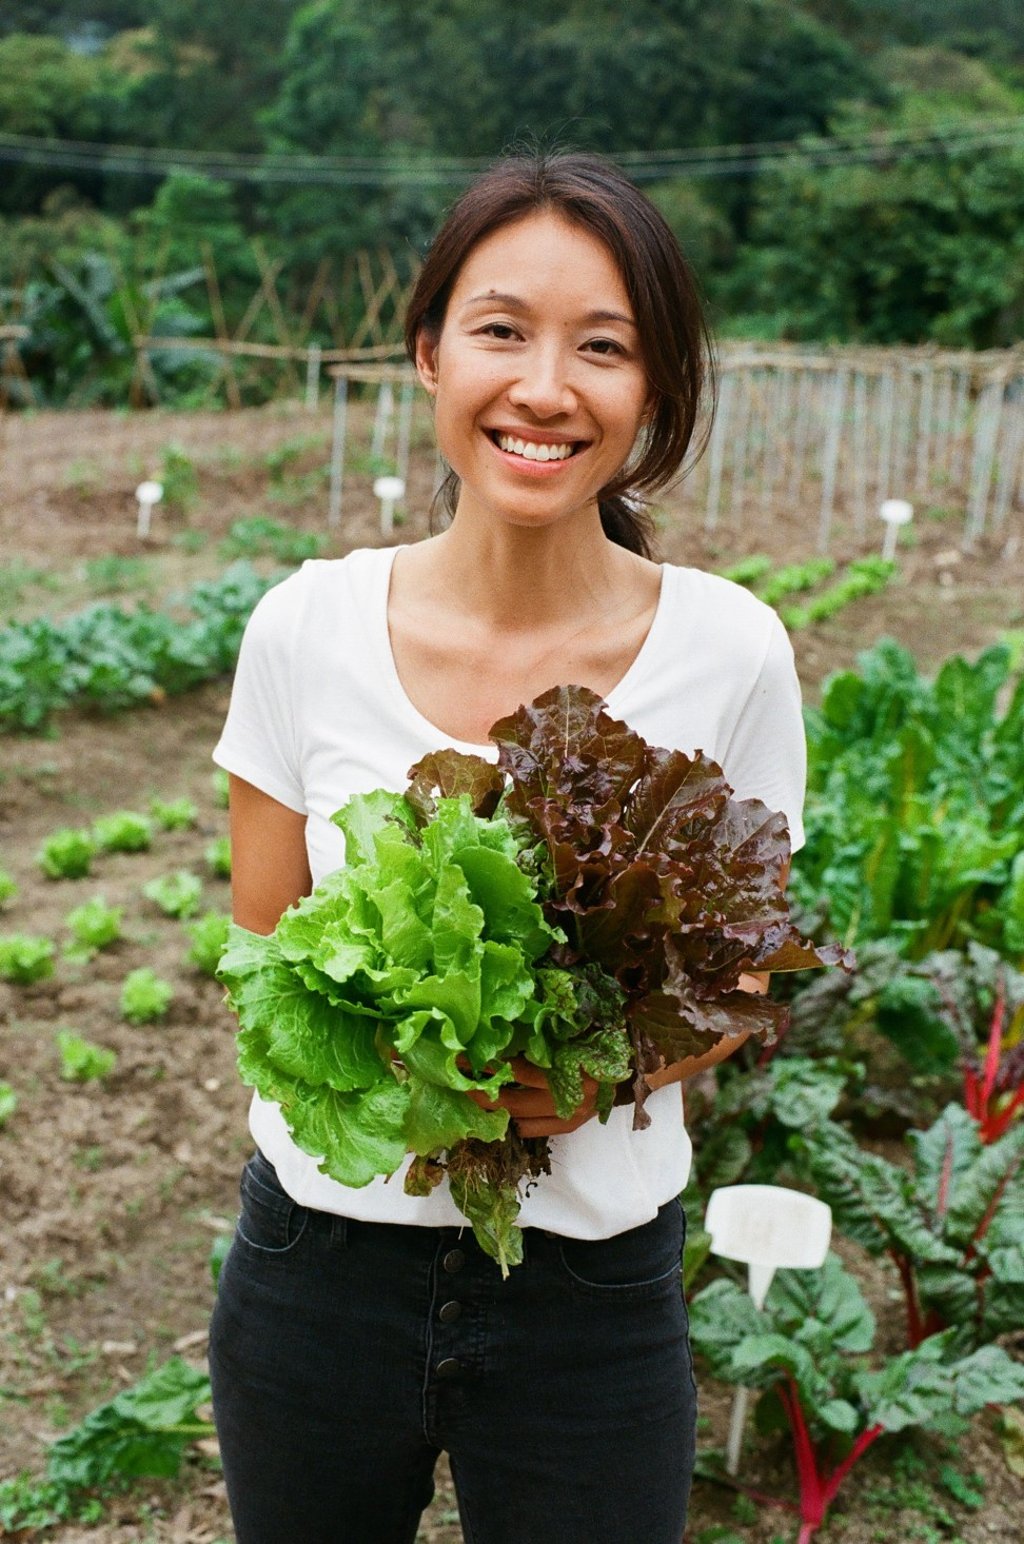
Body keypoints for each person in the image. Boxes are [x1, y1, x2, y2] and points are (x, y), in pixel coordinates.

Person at [208, 150, 806, 1544]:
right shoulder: (306, 627)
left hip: (591, 1295)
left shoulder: (732, 649)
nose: (546, 387)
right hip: (318, 1273)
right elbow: (263, 963)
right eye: (501, 331)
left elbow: (750, 978)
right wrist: (397, 1057)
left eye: (603, 347)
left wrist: (595, 1073)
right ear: (427, 354)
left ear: (654, 390)